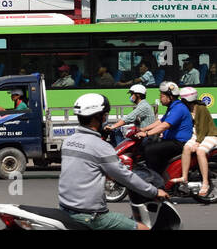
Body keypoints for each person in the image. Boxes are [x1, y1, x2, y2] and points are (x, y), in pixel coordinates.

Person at [59, 93, 167, 230]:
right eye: (105, 115)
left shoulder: (68, 141)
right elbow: (125, 176)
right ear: (100, 116)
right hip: (91, 216)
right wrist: (154, 192)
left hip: (65, 209)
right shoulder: (101, 147)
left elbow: (84, 169)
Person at [138, 81, 192, 177]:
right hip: (172, 140)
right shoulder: (172, 107)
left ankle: (156, 178)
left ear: (170, 97)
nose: (160, 98)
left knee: (150, 150)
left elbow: (165, 125)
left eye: (162, 96)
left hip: (179, 142)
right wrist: (143, 129)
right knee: (148, 144)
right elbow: (160, 121)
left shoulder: (178, 108)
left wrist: (147, 134)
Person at [173, 86, 216, 197]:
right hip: (197, 135)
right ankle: (184, 178)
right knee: (186, 148)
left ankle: (205, 182)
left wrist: (198, 142)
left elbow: (203, 127)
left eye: (183, 99)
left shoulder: (200, 108)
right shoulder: (187, 108)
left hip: (209, 135)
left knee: (200, 151)